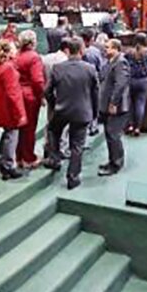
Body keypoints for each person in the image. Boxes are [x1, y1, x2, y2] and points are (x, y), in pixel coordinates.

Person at [44, 38, 99, 189]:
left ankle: (54, 159)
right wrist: (94, 113)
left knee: (52, 131)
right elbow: (95, 94)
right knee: (77, 146)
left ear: (68, 50)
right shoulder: (90, 69)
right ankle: (72, 178)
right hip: (82, 112)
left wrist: (55, 103)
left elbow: (47, 91)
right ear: (81, 50)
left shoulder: (58, 68)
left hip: (62, 110)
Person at [0, 39, 27, 180]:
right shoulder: (8, 68)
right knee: (12, 136)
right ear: (7, 51)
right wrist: (20, 113)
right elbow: (13, 93)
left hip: (1, 105)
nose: (16, 50)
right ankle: (8, 165)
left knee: (7, 134)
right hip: (10, 108)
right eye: (13, 48)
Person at [14, 30, 45, 169]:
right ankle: (29, 158)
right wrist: (42, 96)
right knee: (29, 129)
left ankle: (19, 157)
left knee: (20, 128)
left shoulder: (16, 55)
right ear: (33, 42)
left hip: (17, 95)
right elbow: (37, 81)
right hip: (30, 97)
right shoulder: (33, 57)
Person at [97, 39, 129, 176]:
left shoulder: (121, 62)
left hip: (117, 107)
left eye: (108, 47)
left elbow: (120, 84)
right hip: (107, 105)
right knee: (109, 134)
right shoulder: (110, 62)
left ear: (116, 49)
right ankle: (112, 160)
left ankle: (116, 164)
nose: (105, 50)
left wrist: (113, 103)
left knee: (114, 135)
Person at [125, 33, 147, 136]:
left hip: (131, 80)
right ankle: (137, 128)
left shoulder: (129, 52)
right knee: (140, 104)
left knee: (130, 103)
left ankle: (130, 125)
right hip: (143, 81)